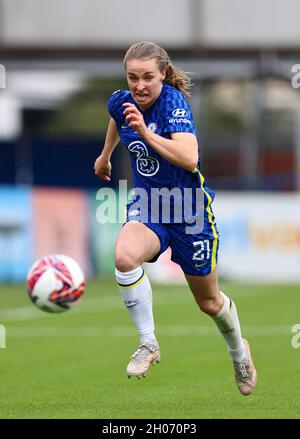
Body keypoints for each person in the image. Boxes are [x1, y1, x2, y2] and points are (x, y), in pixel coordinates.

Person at [94, 41, 257, 395]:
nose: (140, 85)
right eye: (133, 77)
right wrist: (106, 155)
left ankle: (239, 353)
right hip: (150, 204)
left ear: (163, 75)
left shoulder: (173, 103)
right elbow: (115, 116)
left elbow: (188, 157)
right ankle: (148, 342)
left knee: (209, 302)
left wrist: (145, 133)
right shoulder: (122, 101)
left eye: (148, 77)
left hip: (189, 211)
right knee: (124, 256)